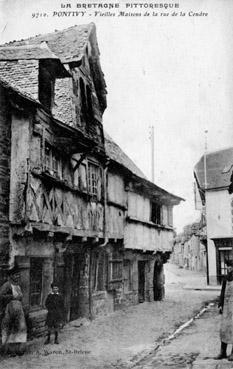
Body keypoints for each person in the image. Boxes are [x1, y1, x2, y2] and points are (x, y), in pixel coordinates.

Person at [0, 264, 27, 356]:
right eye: (16, 275)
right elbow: (1, 296)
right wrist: (12, 297)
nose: (18, 276)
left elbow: (20, 297)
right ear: (11, 275)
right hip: (10, 310)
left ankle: (19, 350)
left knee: (20, 328)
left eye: (18, 274)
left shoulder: (18, 285)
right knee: (11, 330)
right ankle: (10, 351)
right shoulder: (7, 285)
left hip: (19, 310)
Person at [216, 258, 233, 360]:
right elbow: (222, 292)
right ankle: (223, 352)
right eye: (227, 266)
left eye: (230, 266)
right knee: (224, 329)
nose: (228, 268)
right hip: (226, 307)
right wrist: (220, 304)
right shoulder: (226, 278)